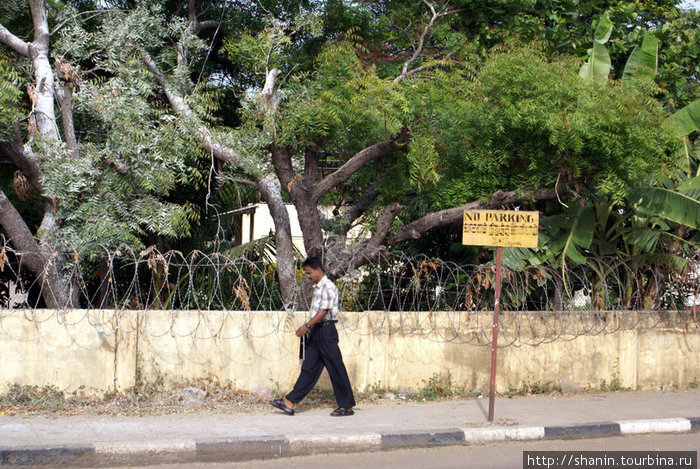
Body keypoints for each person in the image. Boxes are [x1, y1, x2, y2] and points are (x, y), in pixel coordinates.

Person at [270, 256, 356, 417]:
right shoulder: (318, 287)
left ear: (318, 270)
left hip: (326, 331)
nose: (308, 276)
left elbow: (323, 311)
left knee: (336, 368)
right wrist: (311, 328)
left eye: (309, 273)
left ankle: (347, 406)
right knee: (309, 368)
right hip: (317, 331)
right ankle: (289, 402)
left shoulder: (328, 287)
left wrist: (307, 326)